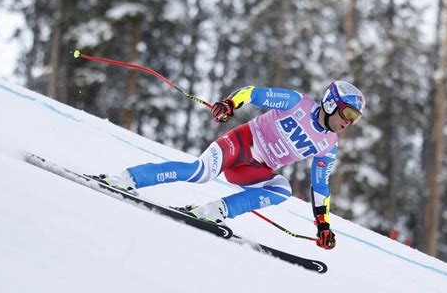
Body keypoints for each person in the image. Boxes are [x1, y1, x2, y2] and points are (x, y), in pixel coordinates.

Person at [104, 81, 366, 250]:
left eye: (354, 119)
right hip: (240, 143)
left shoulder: (328, 145)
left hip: (255, 169)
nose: (349, 122)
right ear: (331, 104)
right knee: (201, 172)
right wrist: (230, 104)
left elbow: (320, 184)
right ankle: (127, 178)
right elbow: (253, 93)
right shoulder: (297, 102)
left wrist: (323, 225)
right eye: (348, 114)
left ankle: (215, 210)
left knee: (282, 189)